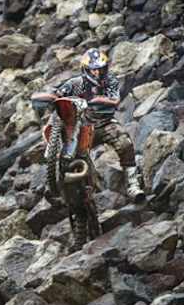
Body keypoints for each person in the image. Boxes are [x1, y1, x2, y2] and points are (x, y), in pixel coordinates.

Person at [52, 48, 145, 203]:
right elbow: (58, 95)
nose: (97, 73)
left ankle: (133, 185)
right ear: (86, 70)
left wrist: (96, 99)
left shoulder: (111, 81)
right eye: (93, 70)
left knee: (125, 143)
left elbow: (114, 100)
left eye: (100, 69)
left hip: (105, 124)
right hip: (83, 128)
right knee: (65, 157)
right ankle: (61, 194)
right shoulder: (76, 83)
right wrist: (54, 99)